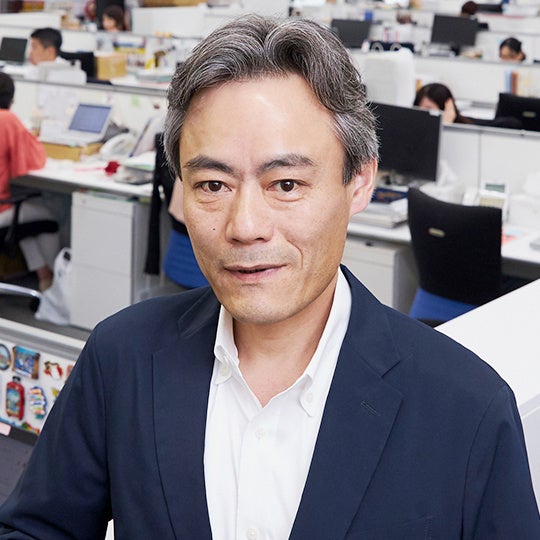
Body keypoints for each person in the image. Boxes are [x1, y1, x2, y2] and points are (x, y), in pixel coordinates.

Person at [0, 14, 538, 539]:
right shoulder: (121, 358)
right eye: (213, 185)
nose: (245, 227)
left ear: (359, 181)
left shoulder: (468, 408)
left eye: (285, 184)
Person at [0, 73, 60, 291]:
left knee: (24, 221)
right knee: (47, 216)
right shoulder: (7, 119)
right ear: (11, 99)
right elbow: (32, 161)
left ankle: (43, 275)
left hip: (7, 208)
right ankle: (55, 282)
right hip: (1, 209)